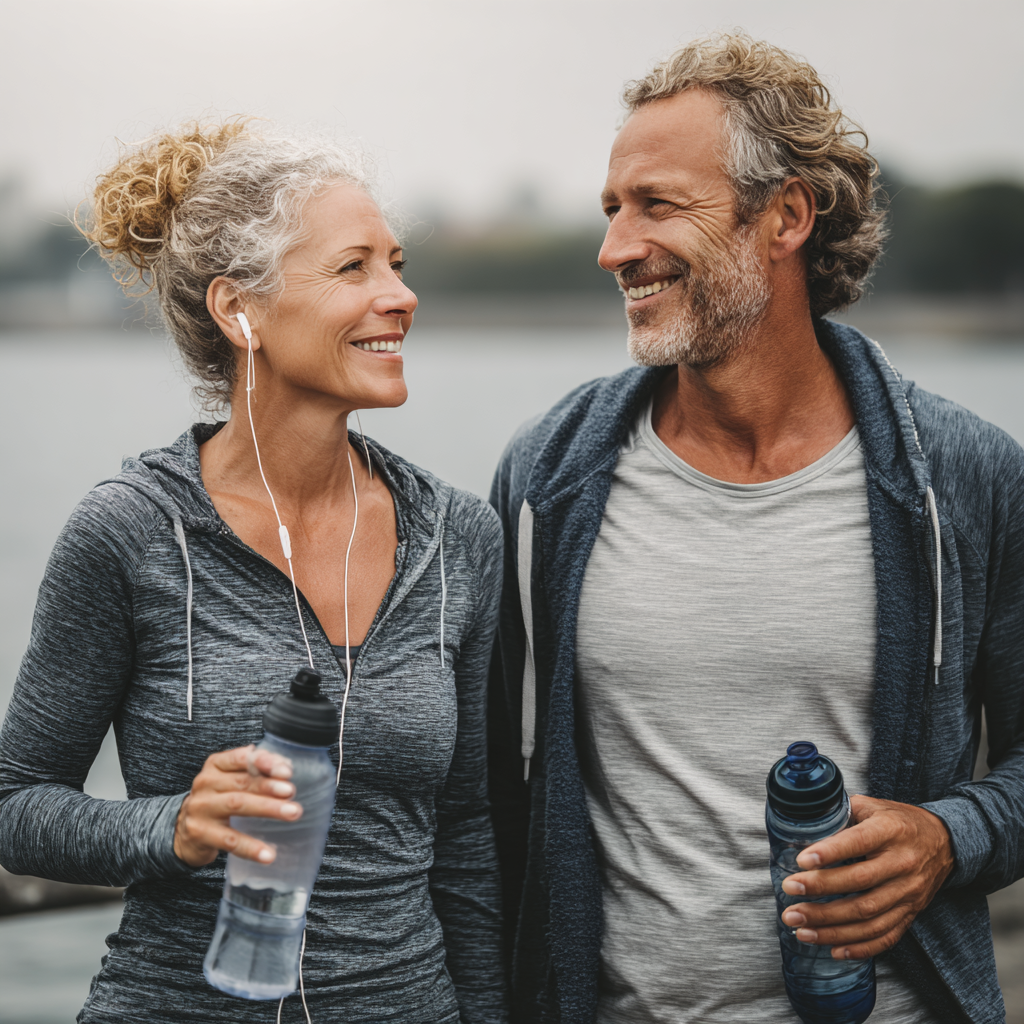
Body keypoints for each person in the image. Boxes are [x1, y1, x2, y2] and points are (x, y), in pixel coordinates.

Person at [488, 34, 1024, 1024]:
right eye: (611, 209)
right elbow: (491, 800)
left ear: (785, 216)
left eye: (657, 204)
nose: (615, 248)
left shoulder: (965, 475)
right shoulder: (544, 478)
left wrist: (950, 837)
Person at [0, 121, 507, 1024]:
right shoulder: (132, 531)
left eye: (396, 264)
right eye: (353, 268)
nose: (400, 295)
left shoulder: (458, 537)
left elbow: (468, 833)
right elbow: (16, 805)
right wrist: (169, 826)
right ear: (240, 311)